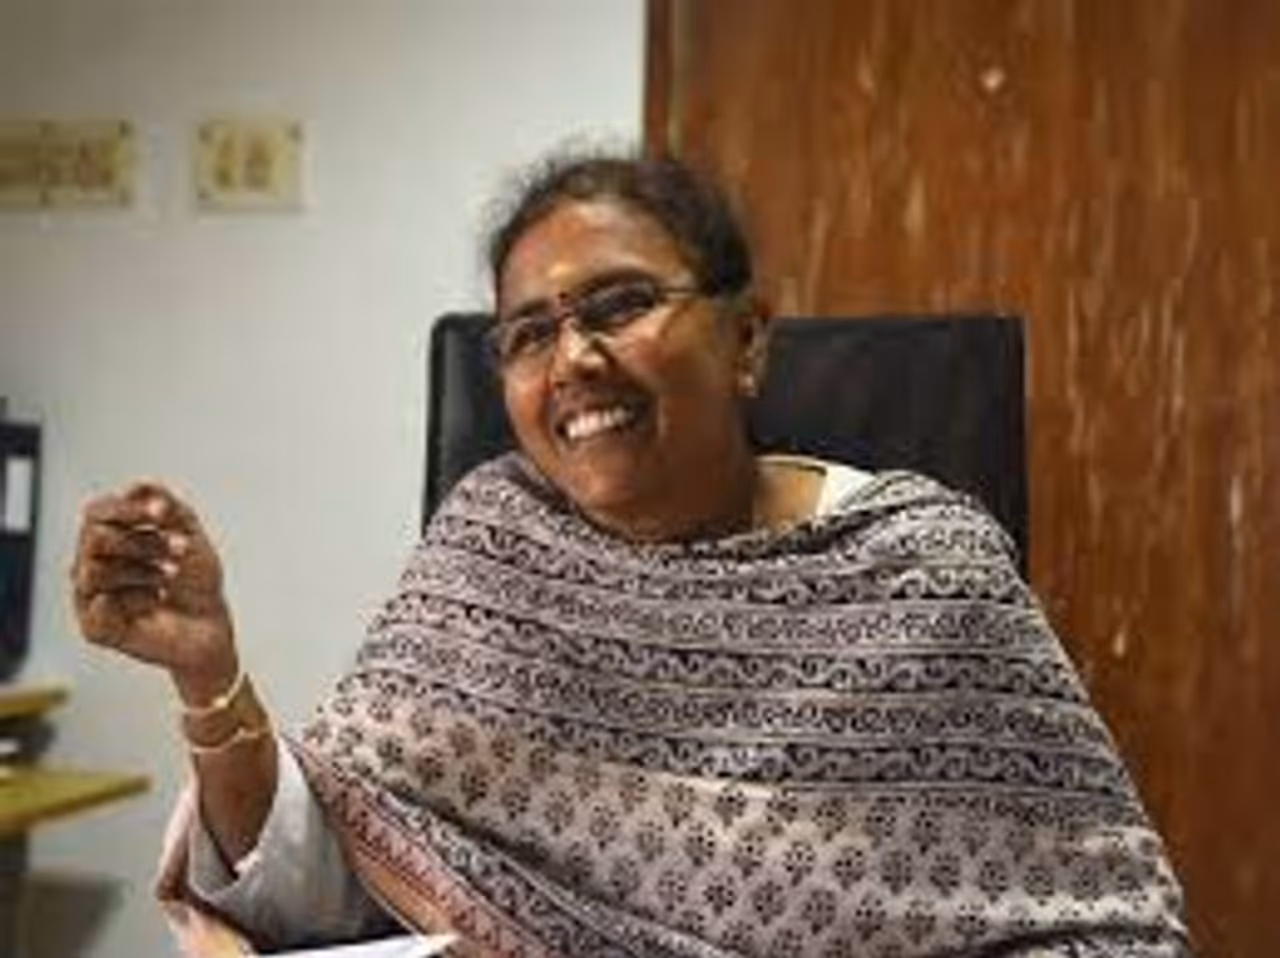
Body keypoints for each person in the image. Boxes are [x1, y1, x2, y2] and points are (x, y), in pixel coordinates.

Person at [72, 151, 1195, 957]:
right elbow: (326, 880)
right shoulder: (489, 546)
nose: (573, 360)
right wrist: (208, 672)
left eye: (619, 305)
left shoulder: (922, 566)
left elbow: (1109, 931)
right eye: (529, 334)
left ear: (746, 338)